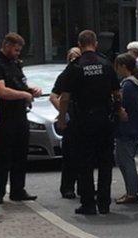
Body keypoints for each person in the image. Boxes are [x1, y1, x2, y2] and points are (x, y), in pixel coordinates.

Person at [57, 30, 120, 215]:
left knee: (85, 163)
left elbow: (65, 97)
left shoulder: (75, 67)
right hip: (104, 120)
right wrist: (118, 111)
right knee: (105, 163)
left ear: (79, 43)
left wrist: (62, 119)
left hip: (83, 121)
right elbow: (117, 93)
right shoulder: (106, 63)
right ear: (96, 43)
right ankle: (104, 203)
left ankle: (88, 204)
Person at [0, 33, 44, 204]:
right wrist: (24, 94)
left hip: (20, 116)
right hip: (4, 117)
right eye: (16, 49)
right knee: (3, 155)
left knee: (20, 154)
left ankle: (18, 190)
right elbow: (1, 91)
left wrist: (31, 90)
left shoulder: (16, 64)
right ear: (7, 45)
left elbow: (20, 84)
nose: (18, 53)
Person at [113, 53, 138, 205]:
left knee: (126, 161)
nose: (116, 70)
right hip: (133, 128)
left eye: (117, 67)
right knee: (124, 160)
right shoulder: (134, 84)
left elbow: (122, 108)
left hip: (126, 129)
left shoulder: (127, 86)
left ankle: (132, 193)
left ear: (123, 66)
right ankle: (130, 192)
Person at [51, 47, 82, 199]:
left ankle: (84, 187)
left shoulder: (84, 72)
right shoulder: (65, 75)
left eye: (76, 55)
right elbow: (53, 96)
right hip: (71, 121)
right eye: (71, 56)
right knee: (69, 156)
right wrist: (64, 113)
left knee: (83, 157)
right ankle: (68, 188)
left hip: (83, 119)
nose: (74, 58)